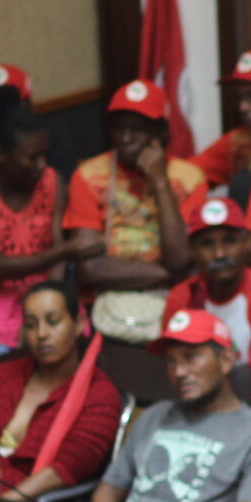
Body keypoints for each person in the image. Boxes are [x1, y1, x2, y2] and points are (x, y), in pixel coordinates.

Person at [93, 311, 251, 502]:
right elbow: (108, 489)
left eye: (191, 357)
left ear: (226, 360)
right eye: (171, 360)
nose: (179, 372)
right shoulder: (154, 415)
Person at [0, 284, 128, 500]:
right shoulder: (3, 375)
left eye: (53, 321)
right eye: (31, 324)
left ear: (79, 325)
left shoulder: (99, 395)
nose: (41, 334)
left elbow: (66, 469)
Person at [0, 87, 87, 361]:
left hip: (46, 292)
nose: (42, 165)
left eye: (44, 155)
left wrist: (49, 308)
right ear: (2, 154)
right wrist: (66, 251)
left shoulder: (51, 181)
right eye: (32, 157)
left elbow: (57, 257)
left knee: (75, 355)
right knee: (2, 367)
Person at [69, 80, 206, 343]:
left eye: (138, 129)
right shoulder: (87, 176)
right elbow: (91, 268)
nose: (126, 138)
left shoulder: (190, 179)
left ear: (161, 133)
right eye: (119, 127)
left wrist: (160, 182)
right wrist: (170, 275)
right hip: (106, 304)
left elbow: (177, 257)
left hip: (172, 304)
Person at [163, 197, 251, 366]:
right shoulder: (180, 297)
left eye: (229, 241)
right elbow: (174, 365)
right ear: (192, 250)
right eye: (207, 244)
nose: (219, 254)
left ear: (246, 243)